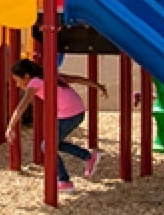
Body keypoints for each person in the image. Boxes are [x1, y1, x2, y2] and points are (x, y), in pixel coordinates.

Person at [7, 58, 106, 192]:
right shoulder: (51, 76)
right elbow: (77, 79)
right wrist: (98, 86)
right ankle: (88, 157)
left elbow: (21, 106)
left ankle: (65, 181)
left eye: (17, 80)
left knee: (47, 146)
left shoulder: (35, 82)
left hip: (69, 115)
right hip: (77, 112)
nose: (17, 85)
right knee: (53, 144)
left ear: (26, 76)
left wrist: (11, 126)